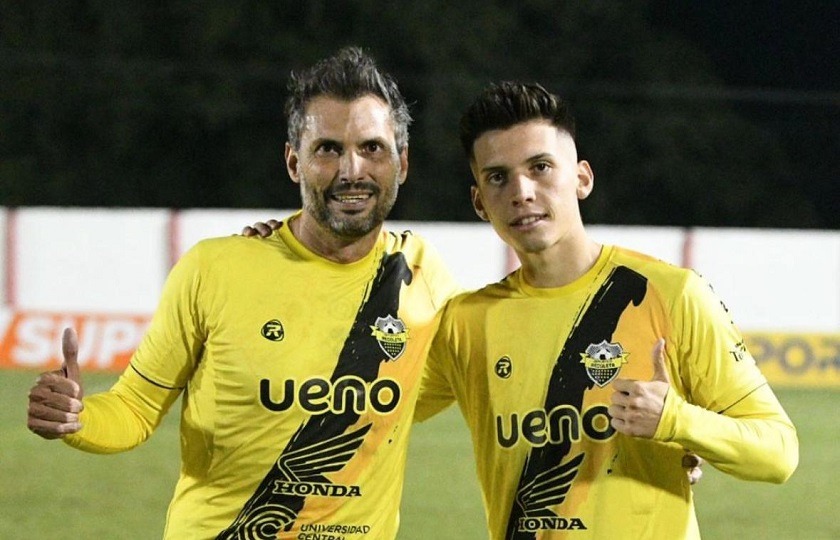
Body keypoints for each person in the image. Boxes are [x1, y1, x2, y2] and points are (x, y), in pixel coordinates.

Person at [26, 46, 459, 539]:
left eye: (372, 148)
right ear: (295, 162)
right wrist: (77, 417)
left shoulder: (424, 274)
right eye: (328, 148)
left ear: (402, 164)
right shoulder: (216, 269)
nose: (351, 170)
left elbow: (443, 385)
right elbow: (135, 408)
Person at [413, 82, 799, 539]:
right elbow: (365, 409)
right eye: (498, 177)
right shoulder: (465, 323)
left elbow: (779, 453)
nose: (521, 191)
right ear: (480, 201)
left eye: (540, 167)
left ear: (582, 178)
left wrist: (677, 421)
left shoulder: (672, 294)